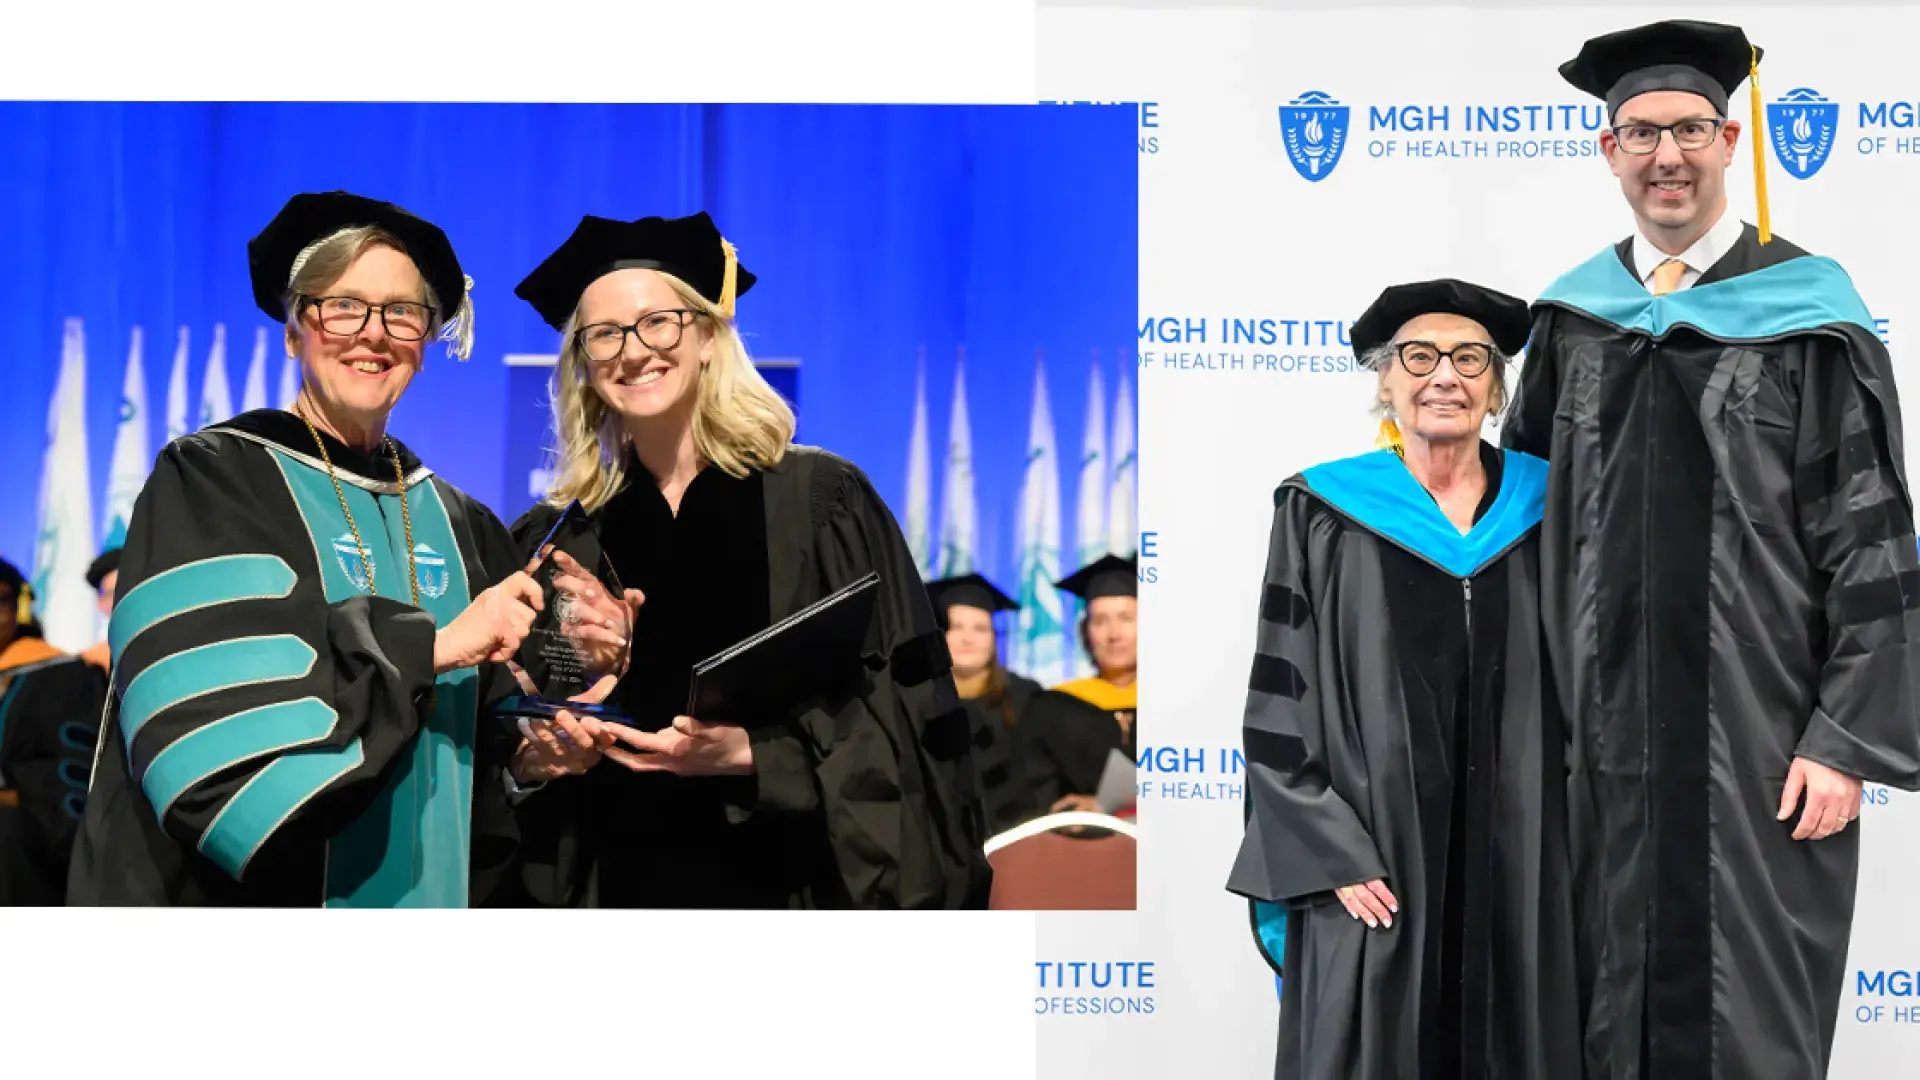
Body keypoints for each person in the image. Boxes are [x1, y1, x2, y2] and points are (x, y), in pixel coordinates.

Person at [1504, 20, 1920, 1078]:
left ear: (1730, 139)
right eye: (1640, 133)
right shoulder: (1570, 322)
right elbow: (1520, 531)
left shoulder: (1806, 317)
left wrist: (1843, 739)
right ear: (1609, 153)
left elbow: (1870, 539)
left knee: (1752, 1019)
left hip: (1763, 742)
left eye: (1689, 128)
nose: (1667, 156)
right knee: (1591, 1003)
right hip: (1591, 749)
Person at [67, 190, 601, 907]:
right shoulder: (213, 478)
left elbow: (486, 750)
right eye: (342, 305)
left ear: (427, 341)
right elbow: (214, 736)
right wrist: (436, 648)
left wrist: (539, 754)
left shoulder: (463, 521)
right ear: (294, 330)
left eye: (403, 312)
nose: (372, 334)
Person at [503, 209, 986, 909]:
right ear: (583, 362)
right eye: (603, 334)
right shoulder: (558, 540)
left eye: (659, 321)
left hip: (793, 887)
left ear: (707, 335)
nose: (633, 351)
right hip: (614, 884)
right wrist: (556, 721)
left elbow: (904, 718)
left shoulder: (822, 503)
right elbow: (522, 748)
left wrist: (755, 756)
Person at [1226, 281, 1580, 1079]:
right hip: (1372, 851)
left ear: (1497, 388)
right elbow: (1281, 695)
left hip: (1525, 853)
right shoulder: (1322, 509)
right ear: (1385, 383)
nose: (1443, 376)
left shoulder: (1554, 503)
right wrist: (1330, 850)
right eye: (1418, 357)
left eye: (1470, 358)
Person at [0, 558, 108, 904]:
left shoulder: (62, 676)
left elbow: (72, 777)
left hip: (25, 861)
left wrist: (13, 795)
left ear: (16, 607)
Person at [1015, 553, 1138, 816]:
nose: (1114, 634)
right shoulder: (1050, 708)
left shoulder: (1177, 708)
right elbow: (1030, 798)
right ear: (1086, 631)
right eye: (1100, 620)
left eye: (1126, 618)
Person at [926, 572, 1040, 833]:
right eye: (955, 627)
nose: (968, 639)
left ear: (994, 638)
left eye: (980, 628)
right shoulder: (915, 701)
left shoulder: (1028, 699)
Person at [78, 547, 121, 672]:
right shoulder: (91, 662)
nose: (120, 599)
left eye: (125, 591)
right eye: (112, 594)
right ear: (101, 603)